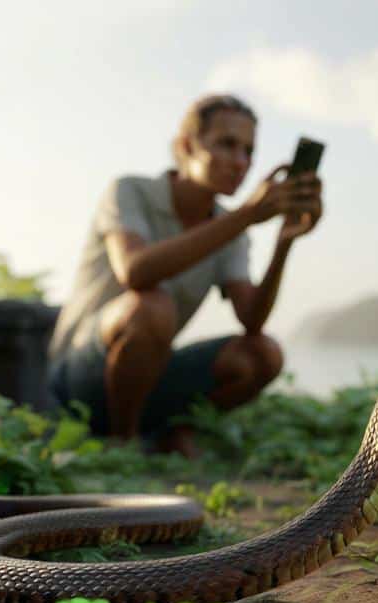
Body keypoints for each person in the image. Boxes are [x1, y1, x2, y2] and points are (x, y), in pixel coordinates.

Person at [47, 94, 323, 456]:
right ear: (186, 146)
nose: (240, 162)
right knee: (152, 307)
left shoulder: (232, 228)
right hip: (78, 375)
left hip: (146, 378)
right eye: (226, 144)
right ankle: (124, 445)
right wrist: (246, 215)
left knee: (264, 354)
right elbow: (135, 271)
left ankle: (172, 432)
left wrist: (284, 242)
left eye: (248, 151)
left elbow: (252, 320)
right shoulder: (130, 191)